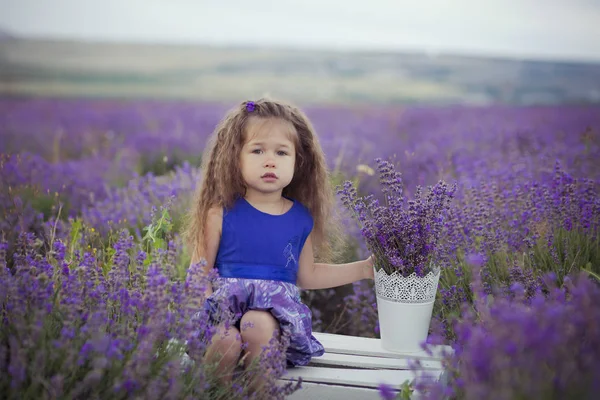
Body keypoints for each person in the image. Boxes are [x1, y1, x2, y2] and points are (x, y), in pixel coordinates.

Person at [183, 97, 374, 385]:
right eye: (257, 150)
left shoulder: (299, 219)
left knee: (257, 325)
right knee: (226, 341)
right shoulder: (220, 214)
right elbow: (199, 274)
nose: (270, 160)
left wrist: (362, 269)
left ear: (299, 162)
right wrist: (209, 317)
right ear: (235, 157)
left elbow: (306, 275)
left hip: (274, 325)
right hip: (220, 315)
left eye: (282, 153)